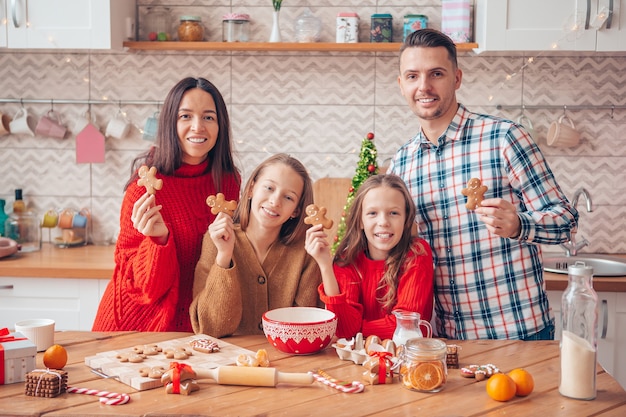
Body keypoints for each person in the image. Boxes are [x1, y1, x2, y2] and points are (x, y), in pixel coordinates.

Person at [389, 29, 578, 340]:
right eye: (412, 76)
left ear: (457, 78)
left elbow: (566, 221)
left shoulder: (504, 138)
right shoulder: (402, 164)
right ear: (401, 85)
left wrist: (519, 224)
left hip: (521, 332)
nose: (424, 86)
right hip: (449, 338)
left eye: (436, 73)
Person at [92, 77, 241, 332]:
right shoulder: (144, 187)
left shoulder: (228, 183)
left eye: (208, 117)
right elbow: (145, 289)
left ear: (220, 125)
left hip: (195, 327)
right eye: (185, 116)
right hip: (135, 329)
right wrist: (158, 240)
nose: (198, 127)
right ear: (170, 122)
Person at [190, 153, 322, 337]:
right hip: (227, 362)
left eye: (289, 198)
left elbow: (304, 330)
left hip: (285, 362)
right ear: (251, 189)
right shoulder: (216, 240)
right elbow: (210, 329)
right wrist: (224, 257)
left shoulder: (306, 252)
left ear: (296, 211)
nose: (275, 201)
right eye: (269, 187)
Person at [305, 174, 434, 340]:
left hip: (406, 357)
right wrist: (325, 265)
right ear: (360, 221)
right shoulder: (347, 261)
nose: (383, 222)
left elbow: (407, 326)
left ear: (406, 220)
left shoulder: (417, 253)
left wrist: (355, 331)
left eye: (393, 213)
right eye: (372, 213)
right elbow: (342, 328)